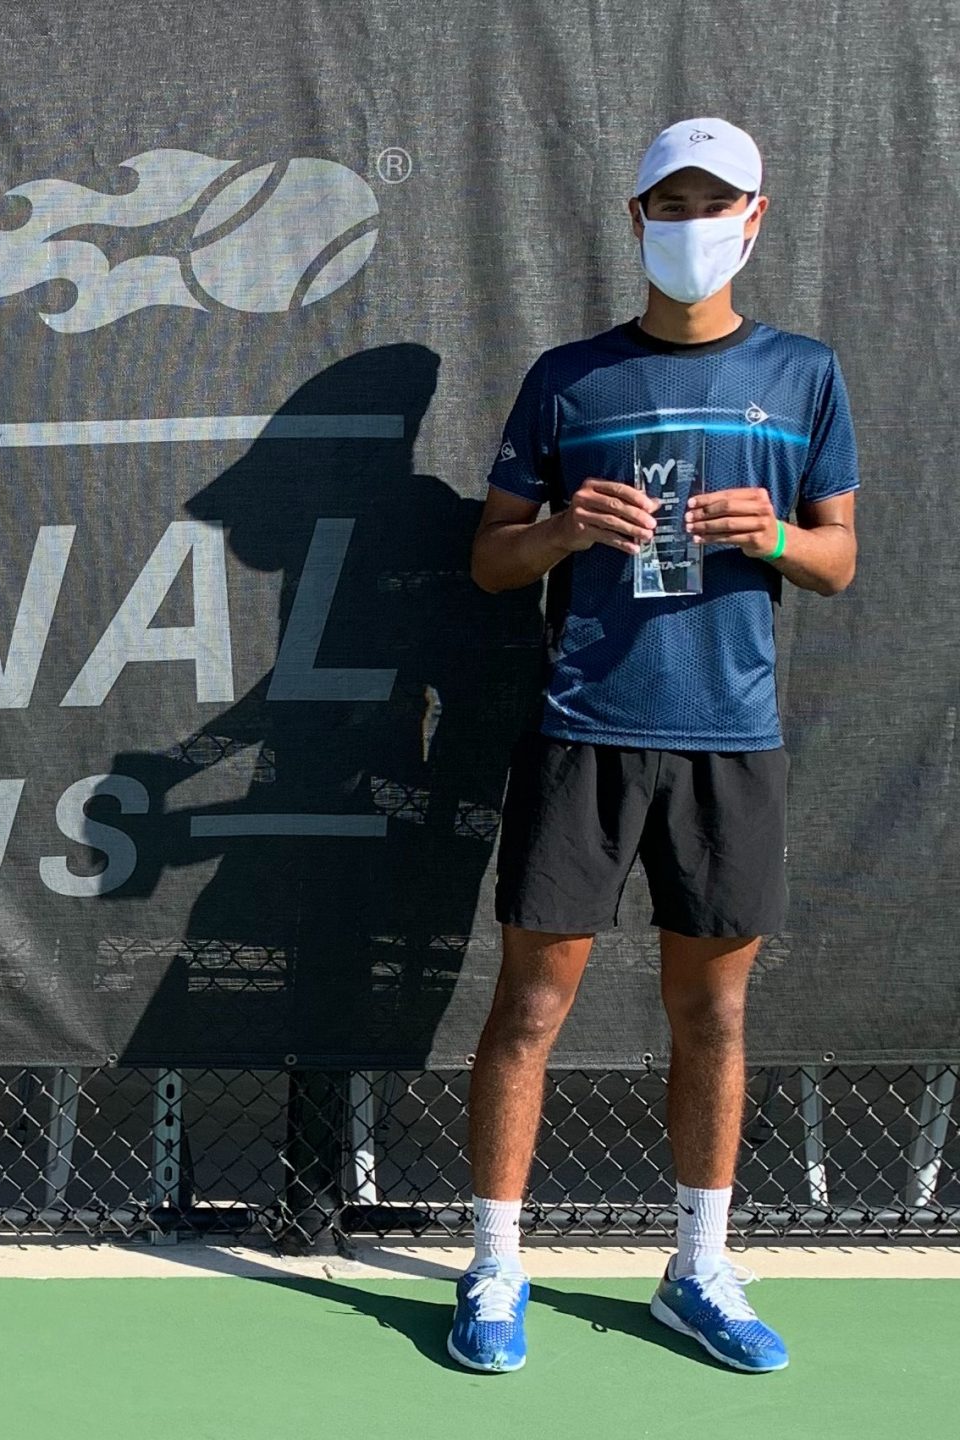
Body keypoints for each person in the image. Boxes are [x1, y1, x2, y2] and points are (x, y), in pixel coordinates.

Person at [453, 117, 859, 1375]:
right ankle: (494, 1263)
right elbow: (487, 562)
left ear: (754, 214)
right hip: (584, 731)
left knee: (714, 1013)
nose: (691, 223)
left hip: (731, 742)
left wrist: (774, 538)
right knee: (529, 1004)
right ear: (637, 220)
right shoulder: (566, 379)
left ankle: (696, 1266)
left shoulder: (804, 373)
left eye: (714, 201)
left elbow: (838, 559)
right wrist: (568, 531)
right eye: (668, 203)